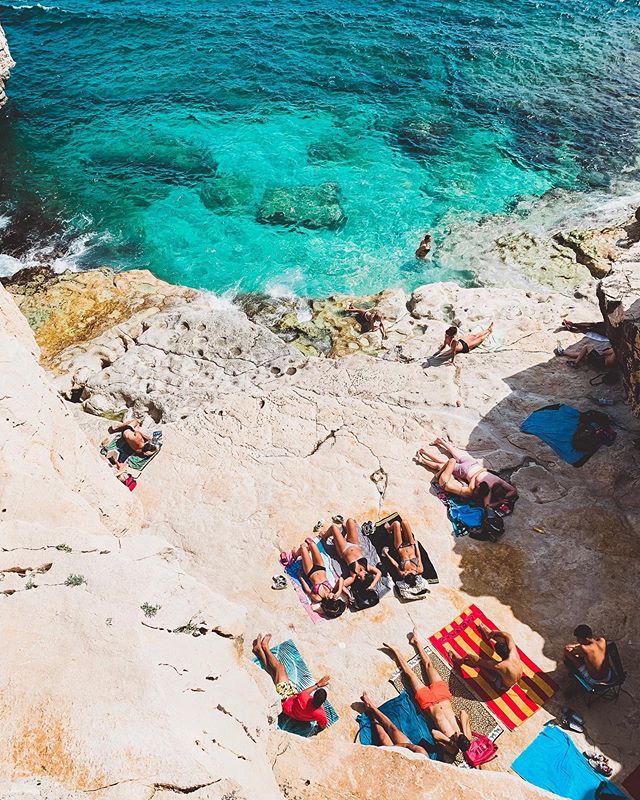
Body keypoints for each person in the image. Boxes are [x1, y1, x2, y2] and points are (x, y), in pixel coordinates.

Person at [382, 629, 474, 763]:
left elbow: (434, 734)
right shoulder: (467, 737)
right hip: (443, 696)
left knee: (410, 674)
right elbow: (463, 713)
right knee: (429, 665)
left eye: (458, 736)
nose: (457, 733)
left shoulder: (452, 749)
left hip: (429, 703)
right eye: (459, 734)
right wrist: (464, 733)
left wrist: (451, 740)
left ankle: (395, 651)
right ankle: (416, 642)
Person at [415, 437, 517, 509]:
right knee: (443, 464)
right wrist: (501, 501)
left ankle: (441, 442)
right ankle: (423, 459)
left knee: (455, 454)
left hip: (474, 464)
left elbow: (513, 490)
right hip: (465, 472)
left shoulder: (498, 480)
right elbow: (487, 505)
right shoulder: (485, 490)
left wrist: (482, 470)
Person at [252, 633, 330, 727]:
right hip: (292, 711)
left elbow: (303, 693)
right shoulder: (321, 715)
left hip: (285, 699)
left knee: (279, 668)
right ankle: (259, 650)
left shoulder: (304, 697)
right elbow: (323, 725)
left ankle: (265, 648)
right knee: (274, 674)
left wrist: (318, 685)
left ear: (313, 697)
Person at [447, 621, 523, 691]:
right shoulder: (513, 654)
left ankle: (460, 661)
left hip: (503, 684)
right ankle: (488, 634)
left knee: (479, 665)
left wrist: (468, 656)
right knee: (503, 641)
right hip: (511, 673)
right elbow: (508, 636)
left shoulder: (500, 665)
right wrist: (492, 633)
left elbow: (480, 661)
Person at [322, 518, 382, 595]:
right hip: (355, 544)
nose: (359, 577)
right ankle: (345, 531)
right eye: (361, 577)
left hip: (343, 549)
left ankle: (324, 536)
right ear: (366, 574)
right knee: (350, 521)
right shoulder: (368, 567)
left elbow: (342, 585)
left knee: (333, 528)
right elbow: (379, 573)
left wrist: (348, 594)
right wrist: (372, 585)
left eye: (359, 579)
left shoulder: (353, 575)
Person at [360, 691, 430, 757]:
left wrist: (392, 749)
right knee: (393, 729)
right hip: (407, 750)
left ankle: (372, 716)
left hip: (399, 761)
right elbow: (408, 746)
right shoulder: (422, 754)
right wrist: (396, 747)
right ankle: (371, 707)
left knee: (383, 737)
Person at [295, 538, 347, 618]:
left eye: (334, 598)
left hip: (310, 572)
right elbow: (341, 579)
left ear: (329, 601)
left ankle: (295, 554)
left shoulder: (318, 598)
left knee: (303, 547)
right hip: (321, 567)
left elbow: (308, 590)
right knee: (312, 544)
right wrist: (339, 591)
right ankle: (304, 551)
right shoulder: (333, 590)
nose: (335, 596)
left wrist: (301, 577)